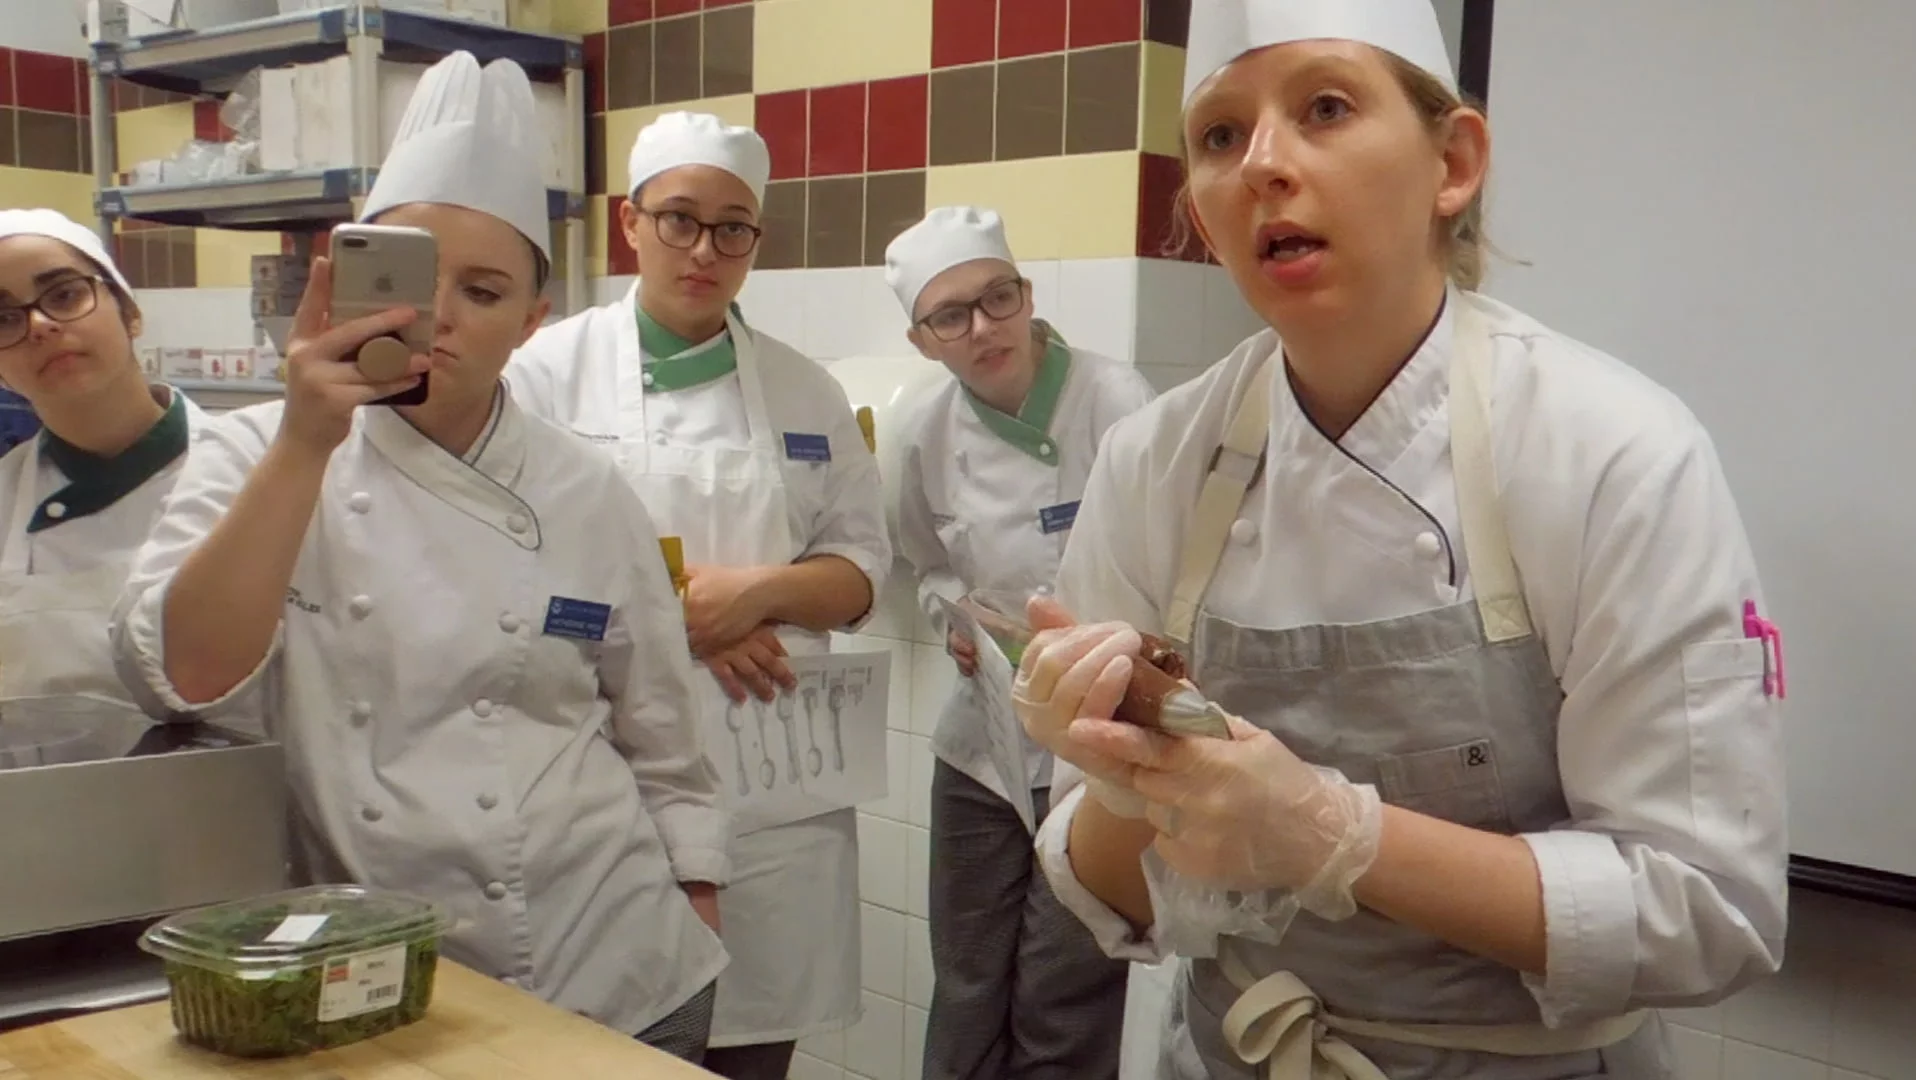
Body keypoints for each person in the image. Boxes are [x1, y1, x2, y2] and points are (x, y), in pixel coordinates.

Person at [1009, 2, 1790, 1078]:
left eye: (1324, 107)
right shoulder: (1156, 462)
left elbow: (1708, 913)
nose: (1263, 165)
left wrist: (1337, 836)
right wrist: (1116, 780)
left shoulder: (1611, 451)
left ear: (1454, 161)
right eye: (1220, 136)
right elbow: (1103, 891)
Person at [109, 53, 729, 1062]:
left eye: (484, 292)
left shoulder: (588, 491)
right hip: (370, 978)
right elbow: (178, 676)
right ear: (342, 277)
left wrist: (698, 903)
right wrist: (307, 439)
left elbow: (661, 727)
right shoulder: (251, 452)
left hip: (613, 963)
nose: (438, 315)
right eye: (406, 278)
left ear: (532, 322)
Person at [506, 111, 890, 1078]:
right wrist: (681, 619)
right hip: (605, 781)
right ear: (629, 222)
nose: (704, 249)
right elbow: (506, 556)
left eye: (733, 228)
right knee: (600, 1049)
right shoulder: (547, 374)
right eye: (679, 219)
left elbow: (858, 576)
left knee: (755, 1050)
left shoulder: (805, 393)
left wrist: (756, 594)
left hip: (776, 792)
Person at [884, 205, 1150, 1080]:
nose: (983, 328)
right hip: (980, 753)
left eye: (997, 299)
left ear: (1027, 295)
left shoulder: (1119, 403)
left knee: (1063, 992)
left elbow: (1161, 573)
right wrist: (953, 622)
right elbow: (926, 567)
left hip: (1096, 753)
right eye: (950, 316)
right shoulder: (922, 432)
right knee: (965, 984)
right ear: (924, 340)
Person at [0, 209, 208, 705]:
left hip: (239, 782)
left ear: (130, 312)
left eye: (65, 294)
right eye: (4, 318)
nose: (40, 325)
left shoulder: (256, 470)